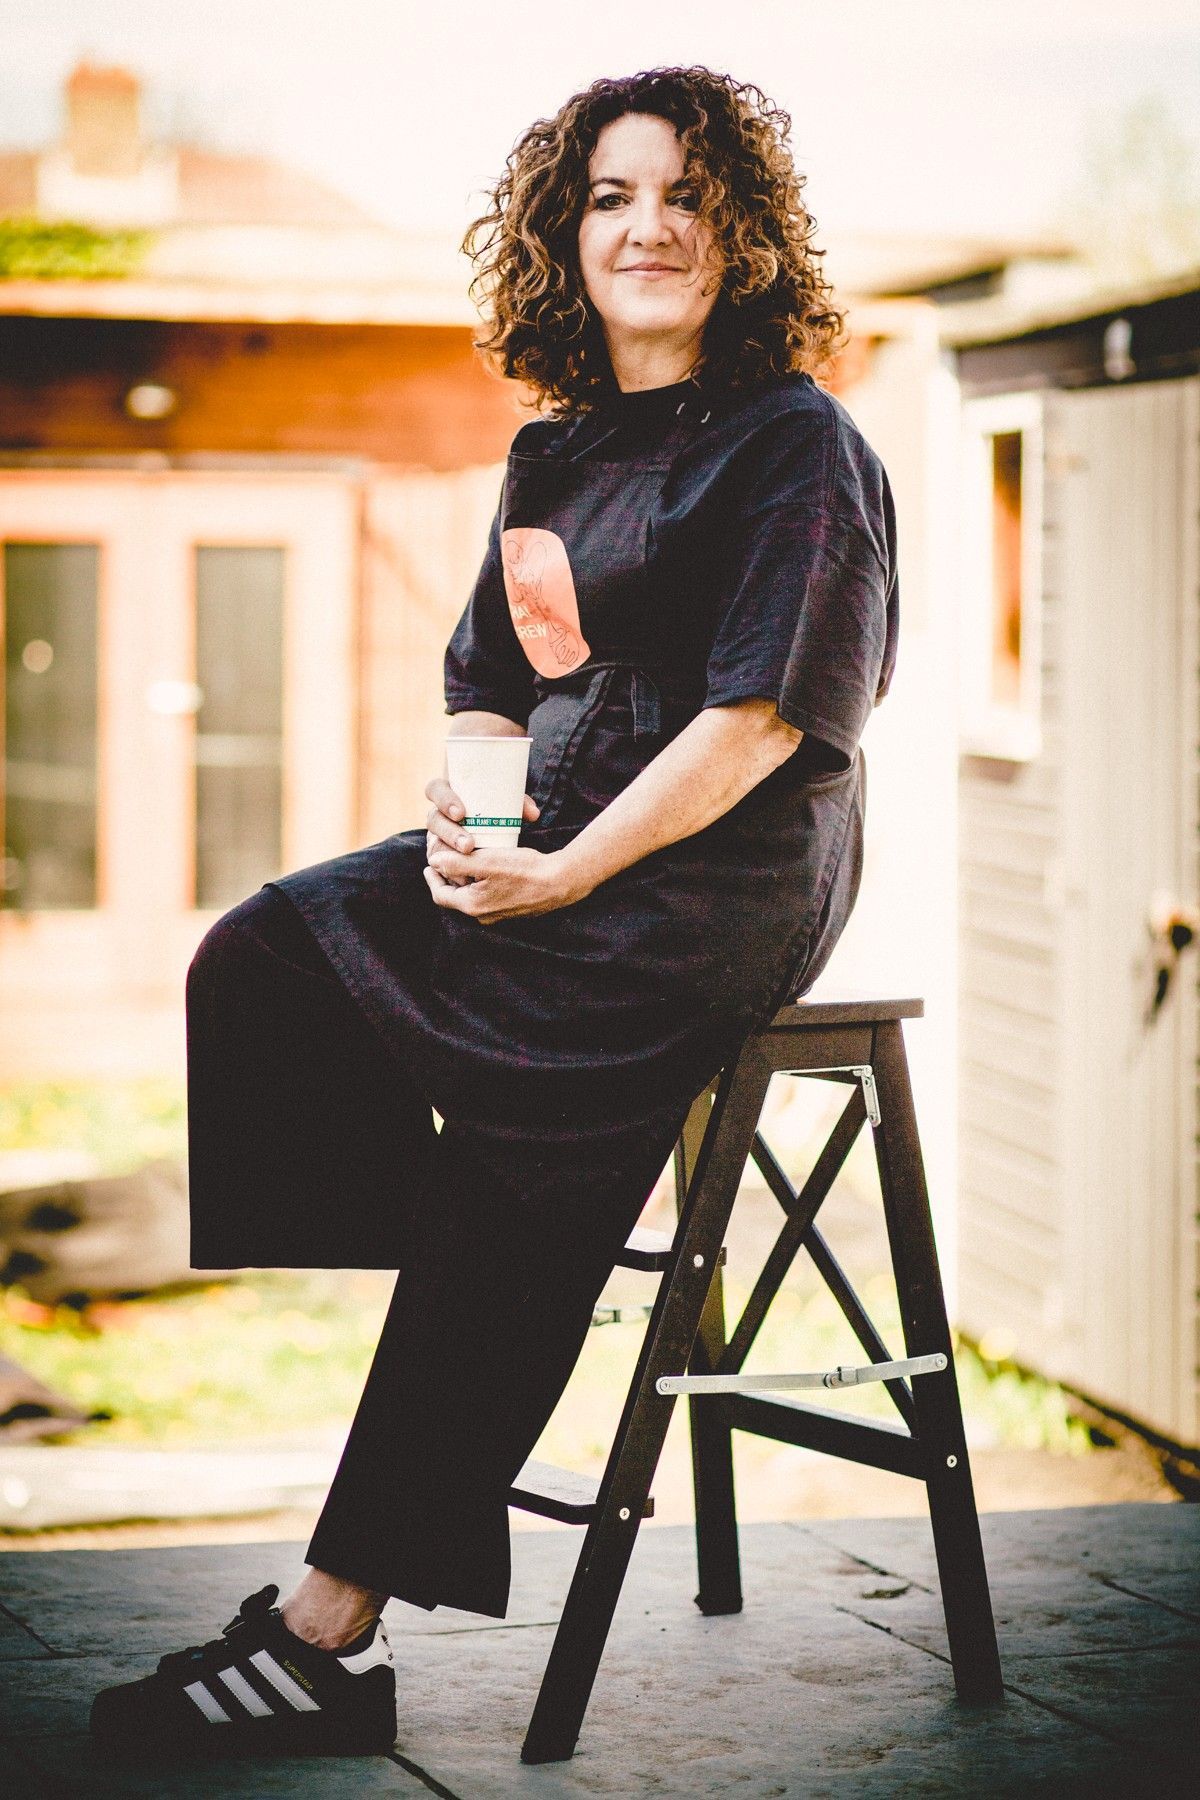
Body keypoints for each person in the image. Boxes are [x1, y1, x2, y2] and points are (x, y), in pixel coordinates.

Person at [89, 64, 898, 1761]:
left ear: (741, 230)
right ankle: (461, 1249)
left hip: (719, 879)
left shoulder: (796, 444)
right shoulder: (557, 452)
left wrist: (573, 870)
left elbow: (761, 722)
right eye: (610, 196)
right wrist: (475, 833)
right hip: (558, 842)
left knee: (511, 1173)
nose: (649, 225)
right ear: (565, 231)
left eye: (684, 193)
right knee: (264, 954)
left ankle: (330, 1626)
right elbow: (485, 689)